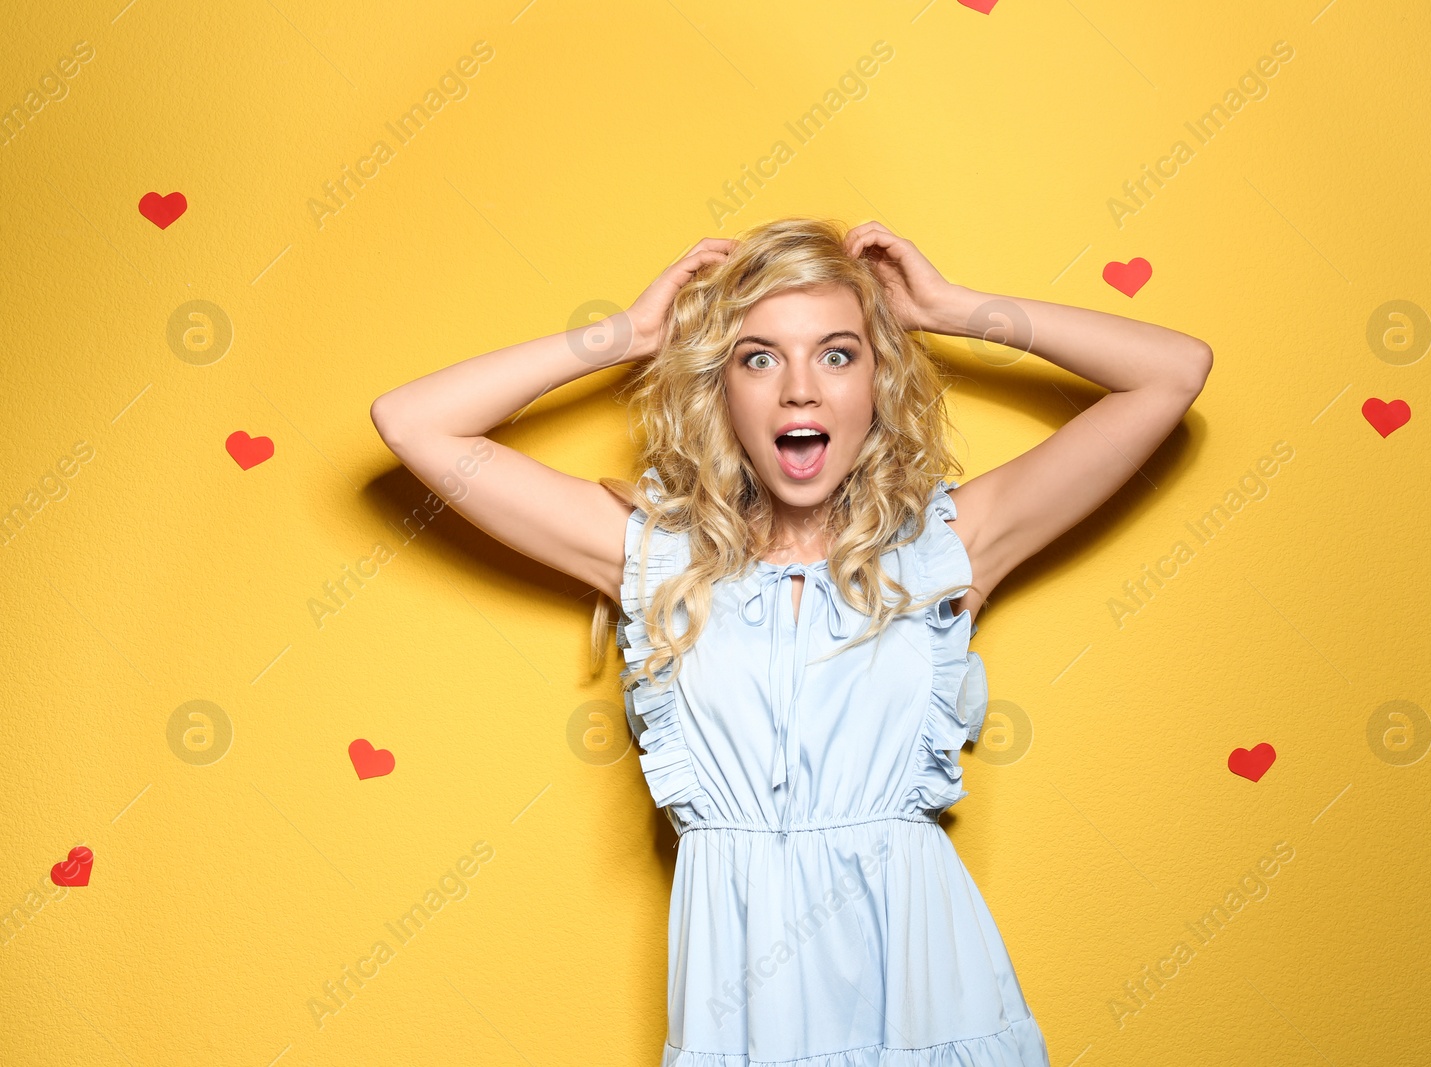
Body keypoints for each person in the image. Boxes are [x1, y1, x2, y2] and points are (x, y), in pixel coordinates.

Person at [370, 216, 1211, 1065]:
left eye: (839, 353)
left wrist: (954, 310)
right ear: (719, 387)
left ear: (878, 382)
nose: (800, 390)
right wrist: (629, 335)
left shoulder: (941, 549)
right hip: (740, 1020)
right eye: (758, 356)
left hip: (933, 1006)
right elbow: (412, 423)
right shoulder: (656, 556)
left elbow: (1173, 374)